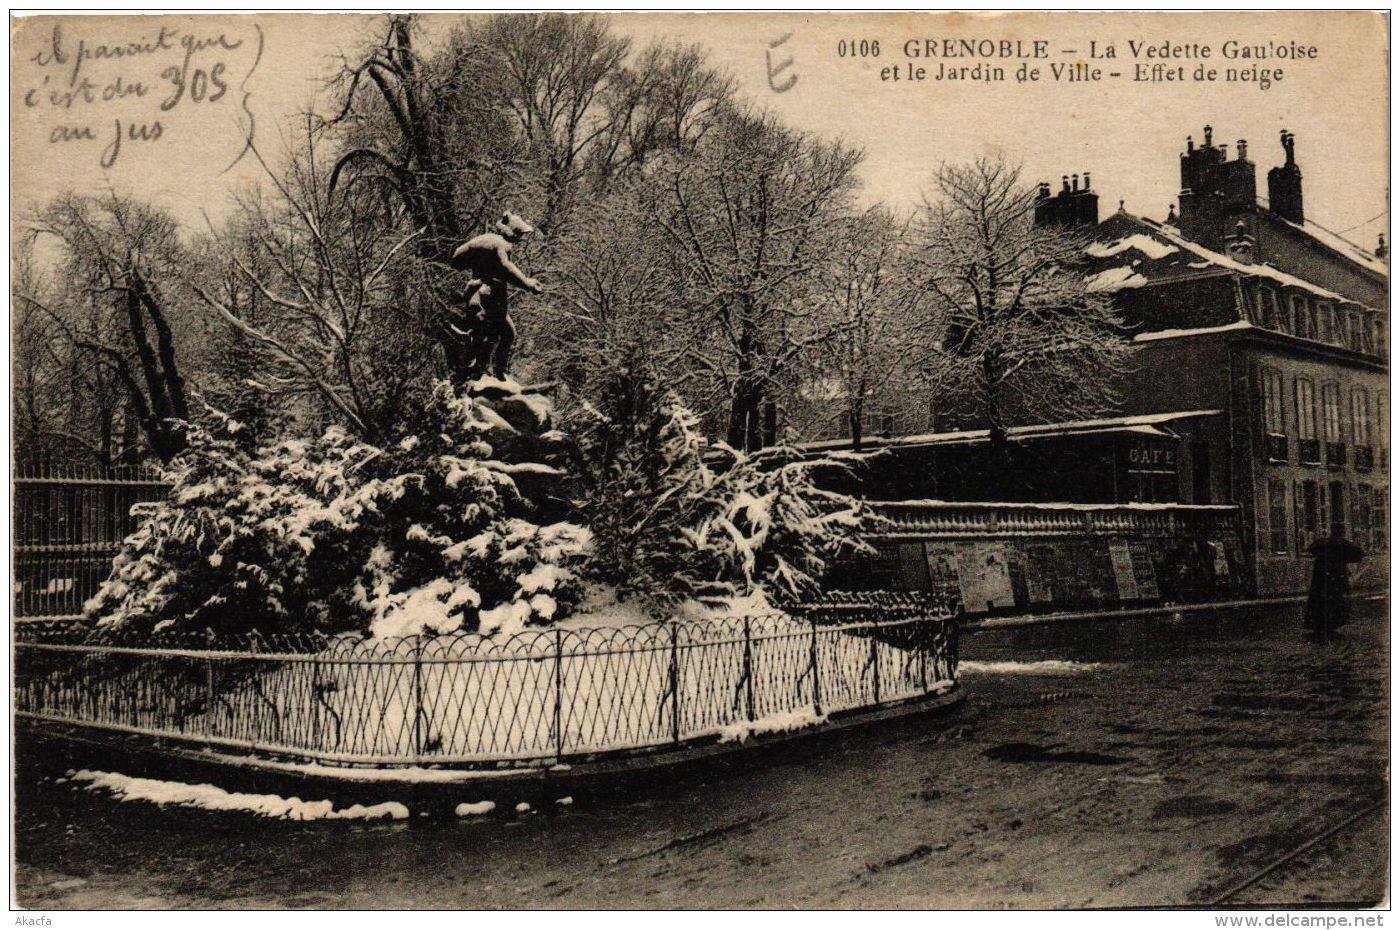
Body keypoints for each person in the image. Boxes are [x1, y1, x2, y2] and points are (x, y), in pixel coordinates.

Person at [445, 211, 543, 380]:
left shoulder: (487, 240)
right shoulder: (499, 243)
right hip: (487, 296)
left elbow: (457, 258)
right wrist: (527, 283)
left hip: (486, 293)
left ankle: (491, 371)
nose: (520, 239)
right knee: (495, 333)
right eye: (518, 234)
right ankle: (481, 371)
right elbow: (506, 268)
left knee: (501, 333)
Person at [1303, 529, 1365, 639]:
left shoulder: (1321, 553)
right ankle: (1329, 628)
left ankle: (1319, 628)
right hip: (1334, 586)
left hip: (1321, 587)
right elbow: (1357, 556)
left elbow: (1316, 576)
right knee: (1335, 605)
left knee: (1319, 605)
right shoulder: (1342, 549)